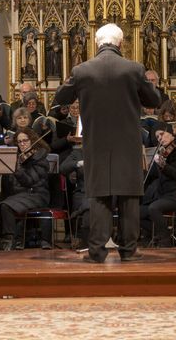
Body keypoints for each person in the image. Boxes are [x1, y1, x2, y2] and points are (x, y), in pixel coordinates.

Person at [55, 23, 161, 263]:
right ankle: (129, 250)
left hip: (96, 143)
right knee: (128, 196)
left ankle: (97, 252)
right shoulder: (134, 69)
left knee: (99, 196)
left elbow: (60, 98)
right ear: (120, 43)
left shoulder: (82, 70)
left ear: (97, 42)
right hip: (127, 143)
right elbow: (153, 99)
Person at [140, 122, 176, 247]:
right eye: (157, 137)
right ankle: (165, 233)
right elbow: (152, 175)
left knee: (154, 208)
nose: (160, 139)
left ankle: (164, 240)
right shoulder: (164, 153)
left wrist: (164, 166)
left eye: (162, 134)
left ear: (172, 133)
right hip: (166, 194)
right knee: (138, 212)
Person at [0, 129, 50, 250]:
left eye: (25, 140)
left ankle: (9, 241)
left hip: (37, 194)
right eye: (19, 142)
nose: (22, 144)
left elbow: (29, 181)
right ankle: (7, 239)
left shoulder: (40, 159)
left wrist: (17, 170)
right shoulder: (20, 158)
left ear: (33, 141)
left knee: (6, 206)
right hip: (21, 195)